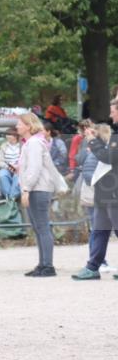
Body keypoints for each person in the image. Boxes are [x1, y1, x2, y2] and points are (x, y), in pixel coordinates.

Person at [72, 99, 118, 281]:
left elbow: (108, 158)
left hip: (114, 190)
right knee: (99, 228)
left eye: (113, 110)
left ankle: (93, 267)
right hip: (105, 190)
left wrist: (92, 141)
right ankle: (93, 267)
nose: (111, 114)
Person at [16, 113, 56, 277]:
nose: (17, 126)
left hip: (37, 189)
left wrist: (26, 188)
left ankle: (48, 265)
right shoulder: (32, 143)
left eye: (20, 123)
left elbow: (34, 168)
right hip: (36, 188)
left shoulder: (33, 144)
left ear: (28, 126)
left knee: (42, 227)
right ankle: (42, 263)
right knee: (39, 228)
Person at [0, 131, 23, 199]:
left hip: (19, 168)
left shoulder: (22, 145)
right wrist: (8, 167)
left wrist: (17, 167)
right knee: (2, 175)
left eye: (9, 134)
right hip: (7, 167)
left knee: (17, 177)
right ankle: (8, 196)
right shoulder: (3, 146)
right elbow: (0, 161)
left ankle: (12, 197)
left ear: (15, 136)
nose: (7, 136)